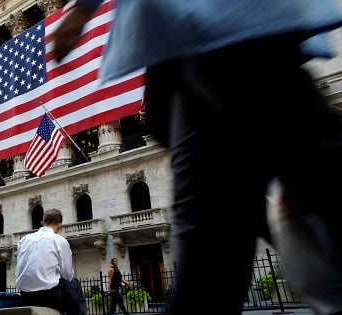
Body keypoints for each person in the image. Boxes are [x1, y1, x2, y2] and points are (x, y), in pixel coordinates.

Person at [53, 1, 342, 315]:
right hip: (187, 43)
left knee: (299, 165)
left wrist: (81, 11)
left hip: (220, 27)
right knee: (214, 217)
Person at [15, 208, 87, 315]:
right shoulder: (59, 240)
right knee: (74, 284)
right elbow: (67, 275)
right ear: (59, 225)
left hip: (26, 296)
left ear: (42, 223)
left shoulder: (23, 240)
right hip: (49, 296)